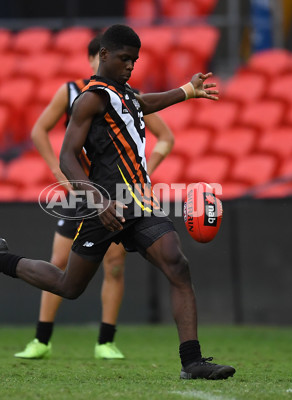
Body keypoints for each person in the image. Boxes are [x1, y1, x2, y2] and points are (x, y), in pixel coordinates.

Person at [0, 24, 236, 380]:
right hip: (104, 204)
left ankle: (192, 361)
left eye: (134, 60)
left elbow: (143, 103)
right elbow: (67, 157)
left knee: (177, 264)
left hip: (137, 201)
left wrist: (186, 90)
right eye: (124, 58)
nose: (130, 65)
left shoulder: (123, 93)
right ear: (104, 55)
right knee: (68, 286)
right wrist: (98, 200)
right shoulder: (90, 98)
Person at [15, 35, 175, 360]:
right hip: (81, 191)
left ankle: (105, 340)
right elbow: (38, 131)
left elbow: (165, 138)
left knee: (114, 265)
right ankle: (41, 338)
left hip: (117, 190)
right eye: (92, 58)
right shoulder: (75, 92)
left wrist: (142, 174)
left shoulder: (125, 96)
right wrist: (59, 173)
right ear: (95, 58)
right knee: (61, 263)